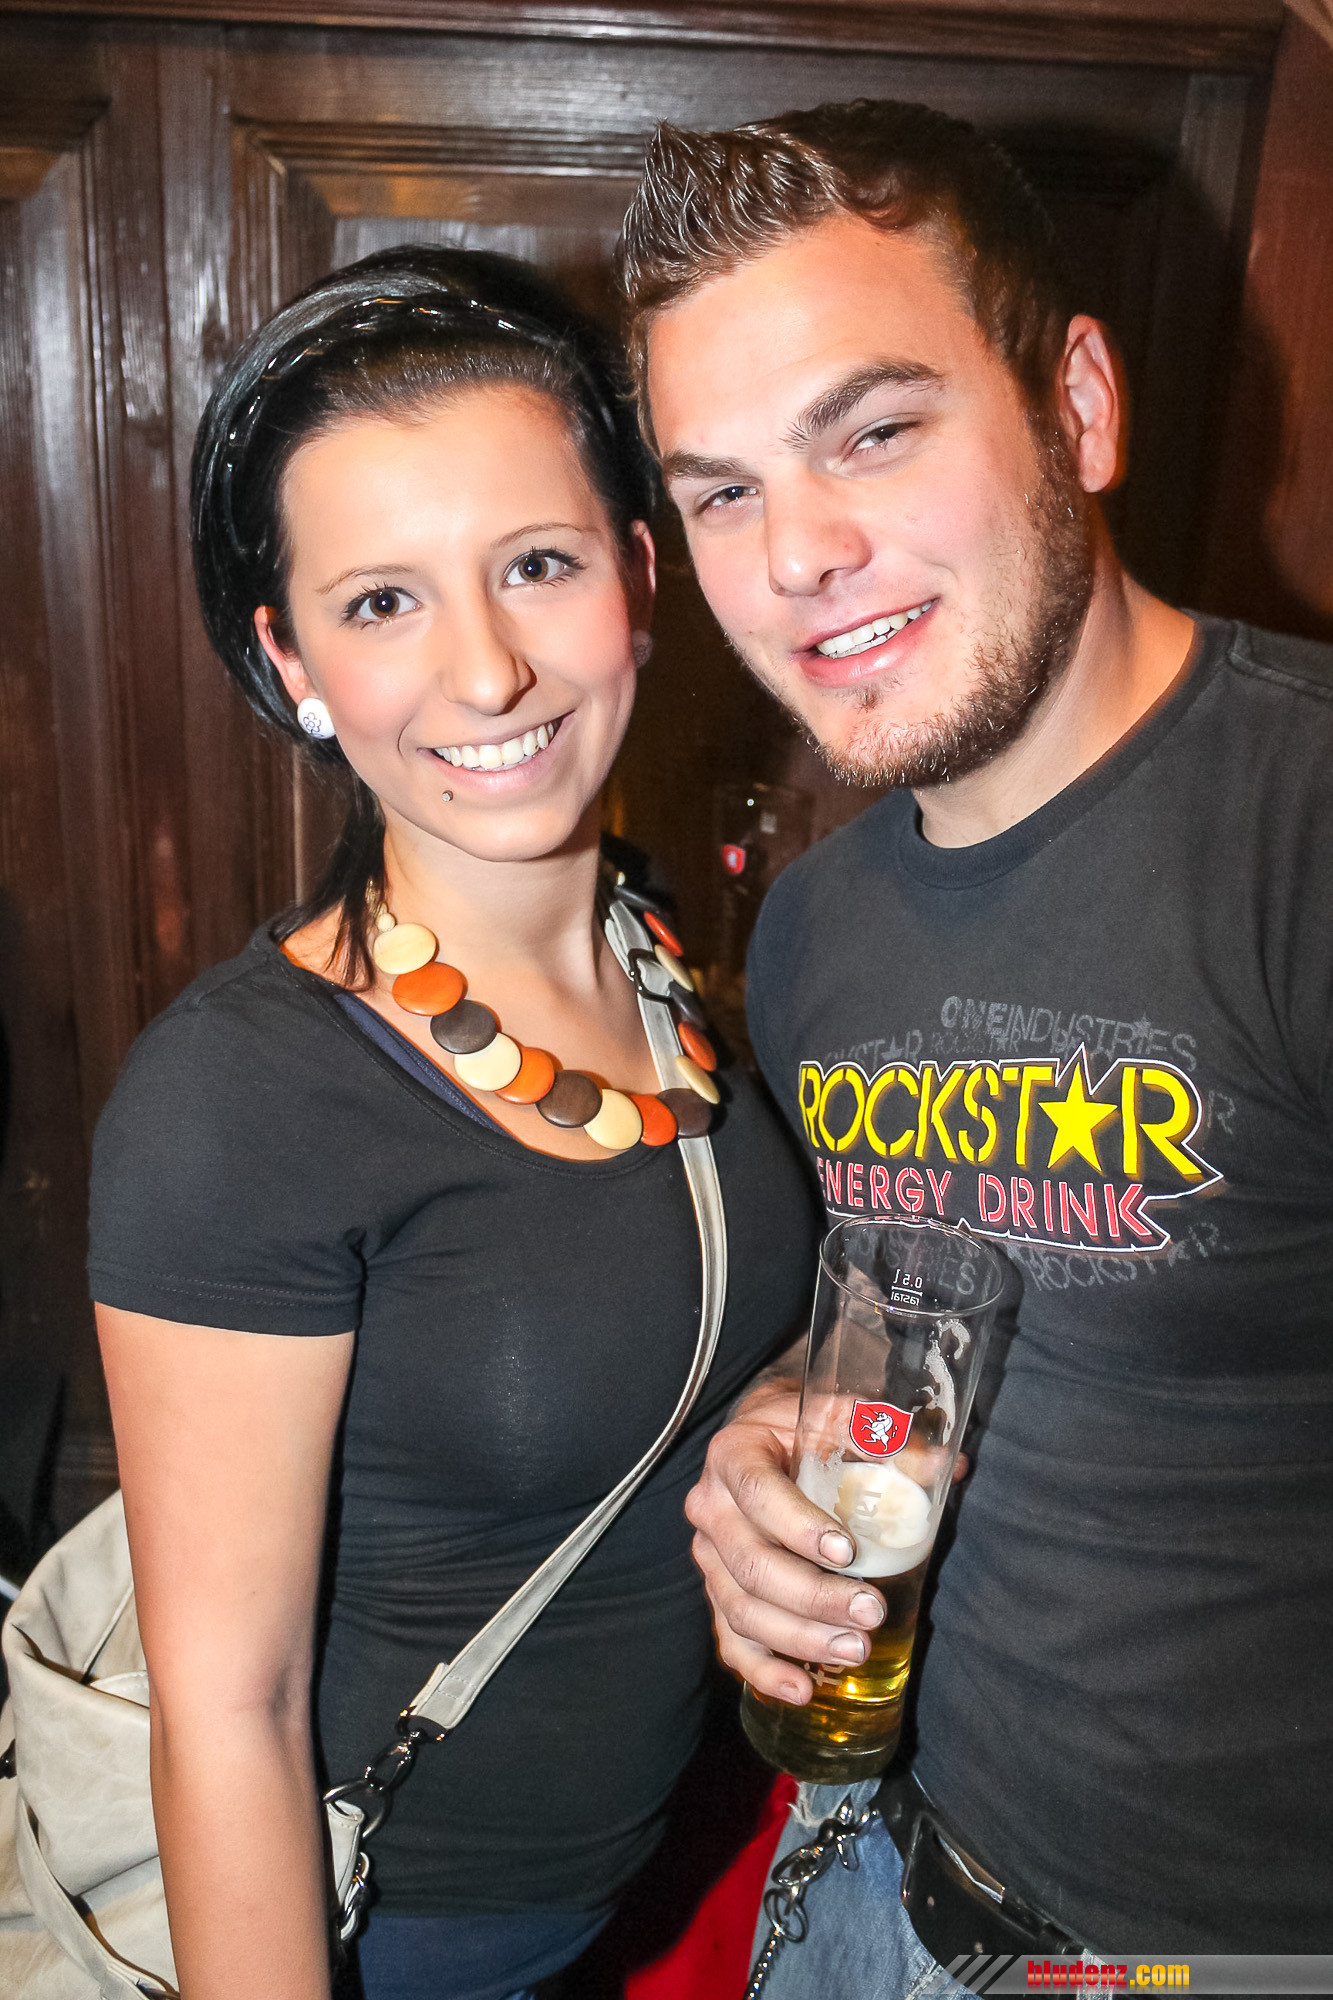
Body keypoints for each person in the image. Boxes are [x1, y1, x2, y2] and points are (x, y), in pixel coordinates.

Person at [616, 99, 1333, 1982]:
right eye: (720, 492)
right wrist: (774, 1420)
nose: (798, 554)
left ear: (1074, 406)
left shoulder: (1305, 831)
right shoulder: (821, 926)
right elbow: (927, 1292)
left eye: (872, 431)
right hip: (874, 1878)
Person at [87, 245, 819, 2000]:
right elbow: (231, 1709)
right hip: (408, 1942)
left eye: (537, 565)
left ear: (638, 575)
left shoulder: (673, 961)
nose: (486, 673)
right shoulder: (243, 1097)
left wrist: (775, 1409)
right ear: (289, 661)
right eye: (381, 602)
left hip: (670, 1883)